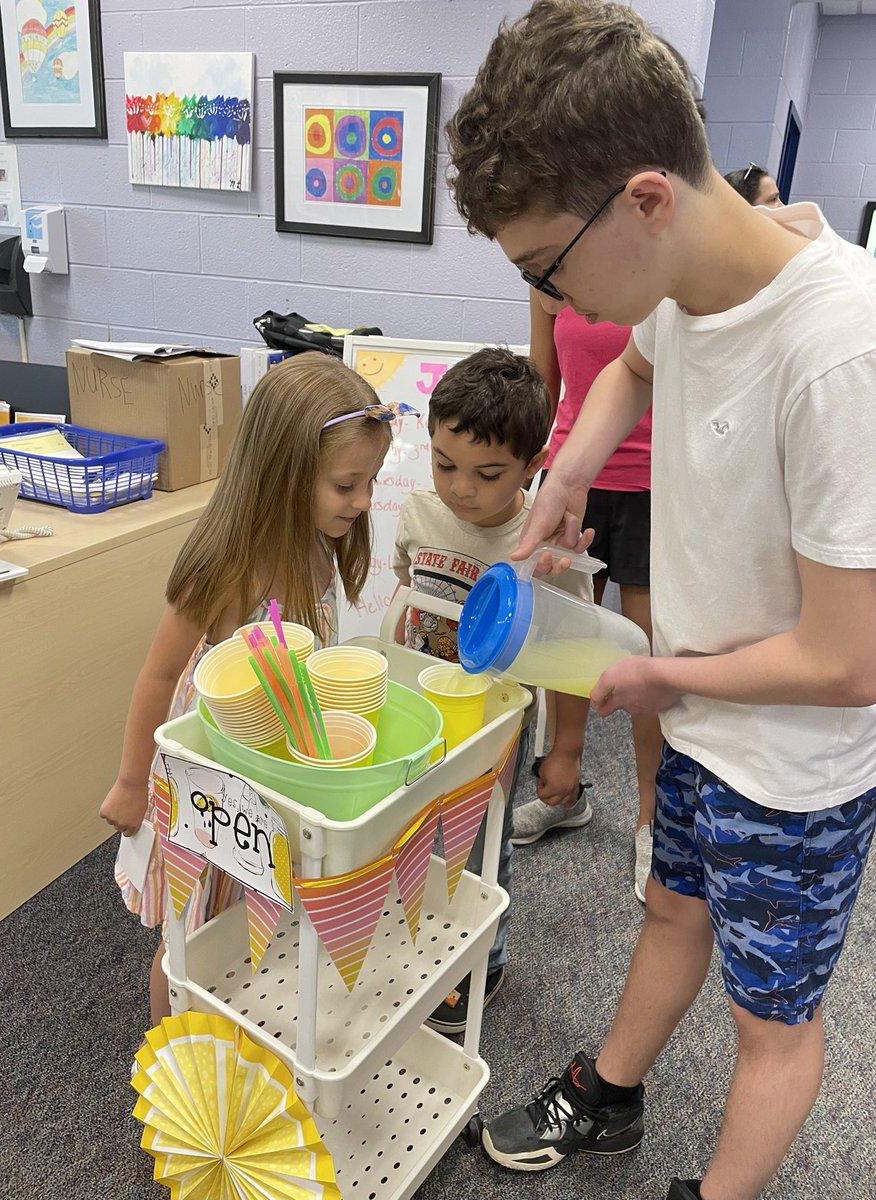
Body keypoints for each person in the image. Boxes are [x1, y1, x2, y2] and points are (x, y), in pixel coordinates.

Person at [445, 3, 876, 1199]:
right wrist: (569, 472)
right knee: (674, 905)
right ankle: (613, 1096)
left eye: (548, 268)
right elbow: (634, 369)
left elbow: (852, 663)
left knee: (773, 1025)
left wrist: (661, 677)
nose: (553, 298)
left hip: (793, 771)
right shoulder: (686, 288)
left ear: (644, 200)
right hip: (699, 722)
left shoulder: (841, 352)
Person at [100, 353, 394, 1028]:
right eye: (348, 484)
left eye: (371, 482)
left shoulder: (319, 547)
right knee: (191, 933)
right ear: (283, 477)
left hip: (265, 774)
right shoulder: (228, 568)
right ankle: (175, 1062)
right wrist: (129, 782)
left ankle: (226, 1038)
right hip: (207, 782)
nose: (365, 502)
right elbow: (157, 675)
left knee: (245, 918)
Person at [393, 346, 593, 1034]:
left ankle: (484, 958)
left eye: (487, 473)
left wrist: (564, 751)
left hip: (496, 733)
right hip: (416, 713)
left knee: (480, 846)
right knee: (410, 835)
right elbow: (406, 588)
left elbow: (574, 663)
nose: (460, 489)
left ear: (533, 467)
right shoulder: (419, 514)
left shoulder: (543, 547)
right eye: (444, 464)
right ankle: (413, 938)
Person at [519, 295, 660, 903]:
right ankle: (564, 785)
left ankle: (653, 820)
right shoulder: (550, 279)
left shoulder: (654, 269)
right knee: (564, 638)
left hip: (655, 480)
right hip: (573, 473)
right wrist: (522, 465)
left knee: (650, 657)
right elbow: (542, 376)